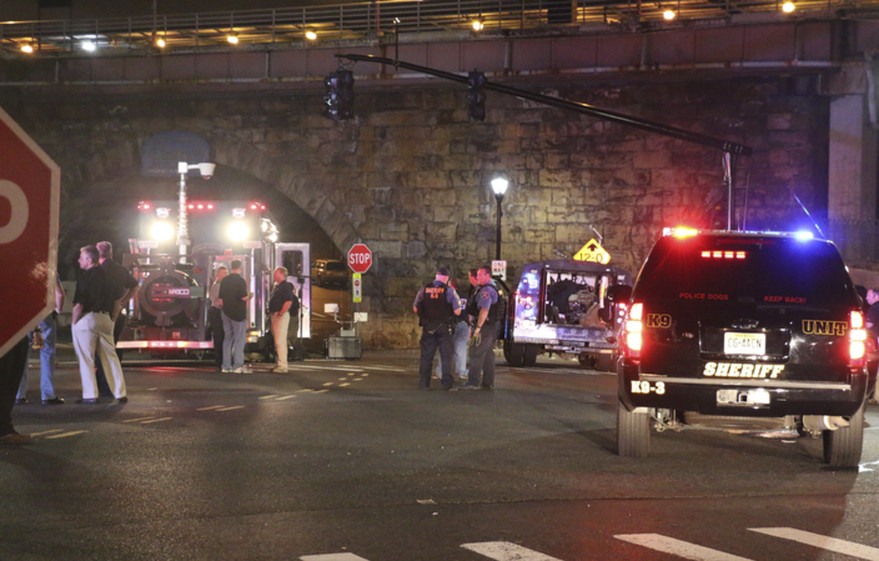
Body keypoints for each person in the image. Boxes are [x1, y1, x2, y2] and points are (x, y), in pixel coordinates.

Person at [71, 244, 128, 404]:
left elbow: (79, 303)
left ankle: (90, 394)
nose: (78, 260)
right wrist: (113, 318)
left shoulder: (85, 277)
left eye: (81, 258)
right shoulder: (110, 276)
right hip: (106, 318)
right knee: (111, 357)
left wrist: (74, 322)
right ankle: (120, 392)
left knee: (86, 358)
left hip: (88, 318)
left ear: (89, 260)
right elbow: (118, 299)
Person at [94, 241, 138, 397]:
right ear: (111, 253)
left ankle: (103, 385)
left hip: (102, 313)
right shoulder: (120, 269)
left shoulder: (98, 270)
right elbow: (135, 285)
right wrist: (123, 301)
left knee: (101, 351)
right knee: (113, 348)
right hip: (118, 313)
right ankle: (115, 384)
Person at [16, 276, 66, 405]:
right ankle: (47, 394)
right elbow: (59, 294)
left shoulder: (21, 268)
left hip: (22, 313)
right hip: (43, 313)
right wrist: (57, 311)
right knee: (47, 353)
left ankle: (19, 394)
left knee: (21, 356)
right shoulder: (49, 266)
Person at [413, 266, 462, 390]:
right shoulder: (449, 291)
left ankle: (424, 383)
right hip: (444, 327)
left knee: (426, 356)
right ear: (446, 279)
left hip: (428, 327)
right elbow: (457, 311)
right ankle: (447, 384)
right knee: (446, 356)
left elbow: (415, 308)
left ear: (436, 277)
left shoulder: (424, 290)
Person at [463, 265, 502, 390]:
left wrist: (478, 327)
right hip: (492, 325)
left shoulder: (487, 291)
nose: (477, 277)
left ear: (487, 275)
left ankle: (473, 382)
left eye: (480, 275)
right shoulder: (492, 287)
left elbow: (484, 310)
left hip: (485, 326)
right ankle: (488, 382)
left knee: (476, 352)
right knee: (488, 354)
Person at [218, 259, 251, 373]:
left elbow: (220, 300)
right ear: (240, 268)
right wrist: (249, 296)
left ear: (231, 268)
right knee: (239, 340)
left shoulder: (224, 280)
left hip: (226, 313)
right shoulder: (241, 281)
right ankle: (237, 366)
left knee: (227, 339)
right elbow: (243, 297)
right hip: (238, 314)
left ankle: (225, 366)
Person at [0, 337, 34, 444]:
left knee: (12, 378)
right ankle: (4, 428)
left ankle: (5, 427)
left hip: (18, 333)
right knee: (5, 376)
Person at [435, 278, 469, 381]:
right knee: (461, 348)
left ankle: (441, 372)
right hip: (463, 324)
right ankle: (462, 371)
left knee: (444, 348)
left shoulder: (449, 295)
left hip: (450, 324)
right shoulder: (465, 297)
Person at [268, 266, 295, 373]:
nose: (274, 275)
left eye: (276, 273)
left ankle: (283, 365)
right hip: (276, 315)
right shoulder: (278, 287)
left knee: (280, 341)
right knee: (278, 341)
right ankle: (280, 363)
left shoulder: (286, 287)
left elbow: (288, 301)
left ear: (281, 274)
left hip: (280, 316)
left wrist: (281, 313)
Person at [208, 264, 229, 371]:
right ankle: (219, 361)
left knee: (222, 336)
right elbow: (217, 301)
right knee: (219, 336)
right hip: (217, 312)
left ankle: (221, 360)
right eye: (224, 273)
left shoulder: (221, 284)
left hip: (219, 312)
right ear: (218, 275)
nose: (226, 275)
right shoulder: (217, 285)